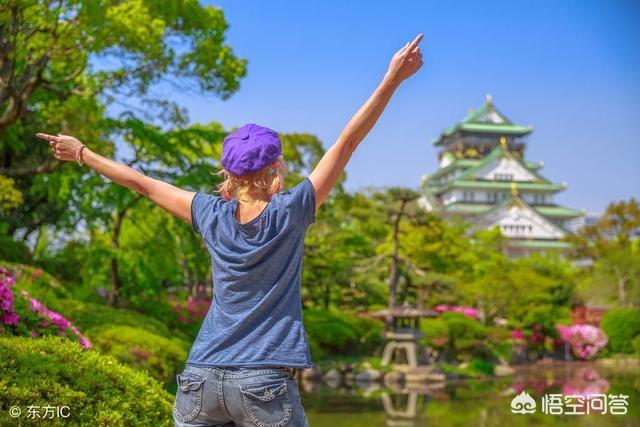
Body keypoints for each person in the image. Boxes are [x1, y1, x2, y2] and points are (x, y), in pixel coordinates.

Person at [36, 33, 424, 427]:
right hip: (264, 382)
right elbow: (349, 140)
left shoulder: (208, 212)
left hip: (200, 377)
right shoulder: (292, 209)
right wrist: (392, 79)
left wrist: (82, 153)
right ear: (275, 169)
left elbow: (142, 183)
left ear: (228, 171)